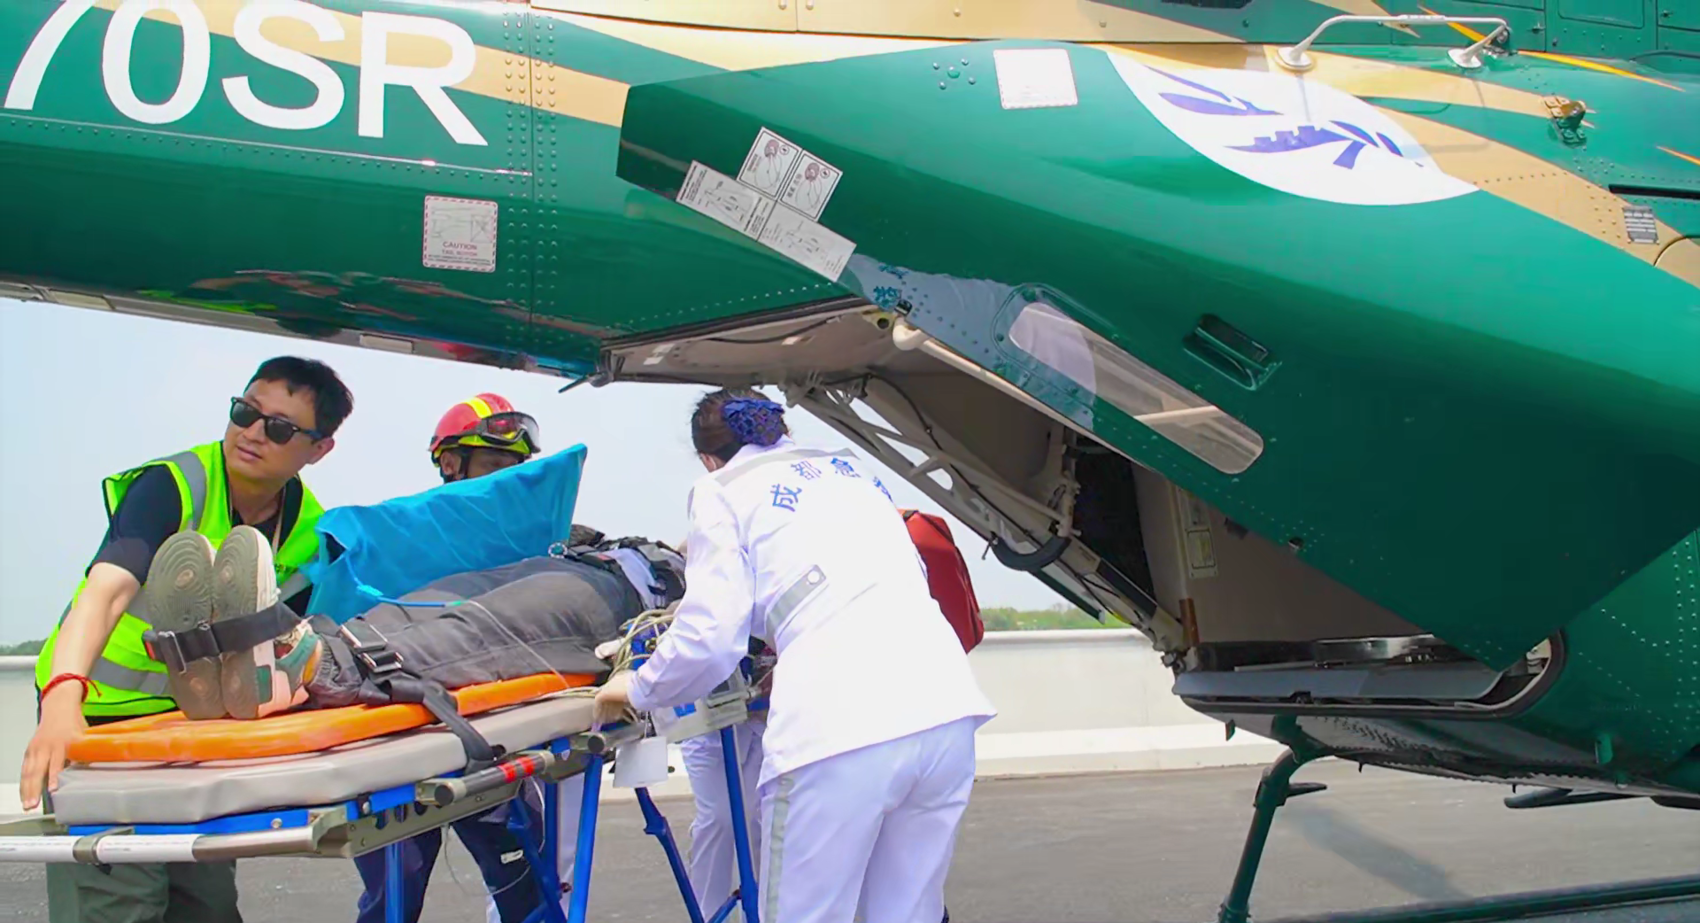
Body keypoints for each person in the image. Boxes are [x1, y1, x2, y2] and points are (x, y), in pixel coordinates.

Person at [594, 388, 997, 923]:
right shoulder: (851, 472)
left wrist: (638, 687)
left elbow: (710, 636)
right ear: (780, 431)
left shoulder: (722, 490)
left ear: (708, 458)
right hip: (944, 712)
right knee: (906, 912)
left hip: (839, 731)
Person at [21, 355, 354, 923]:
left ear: (318, 449)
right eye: (245, 412)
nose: (253, 433)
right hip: (93, 716)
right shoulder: (174, 485)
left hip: (192, 730)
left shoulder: (308, 533)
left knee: (208, 905)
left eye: (279, 428)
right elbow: (105, 592)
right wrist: (60, 700)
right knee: (123, 905)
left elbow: (284, 655)